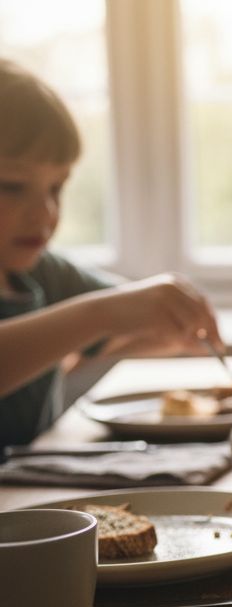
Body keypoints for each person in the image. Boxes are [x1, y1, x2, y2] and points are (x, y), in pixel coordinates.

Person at [0, 59, 220, 448]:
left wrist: (165, 320)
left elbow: (125, 325)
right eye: (13, 186)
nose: (47, 213)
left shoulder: (41, 273)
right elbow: (104, 313)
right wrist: (103, 313)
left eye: (57, 188)